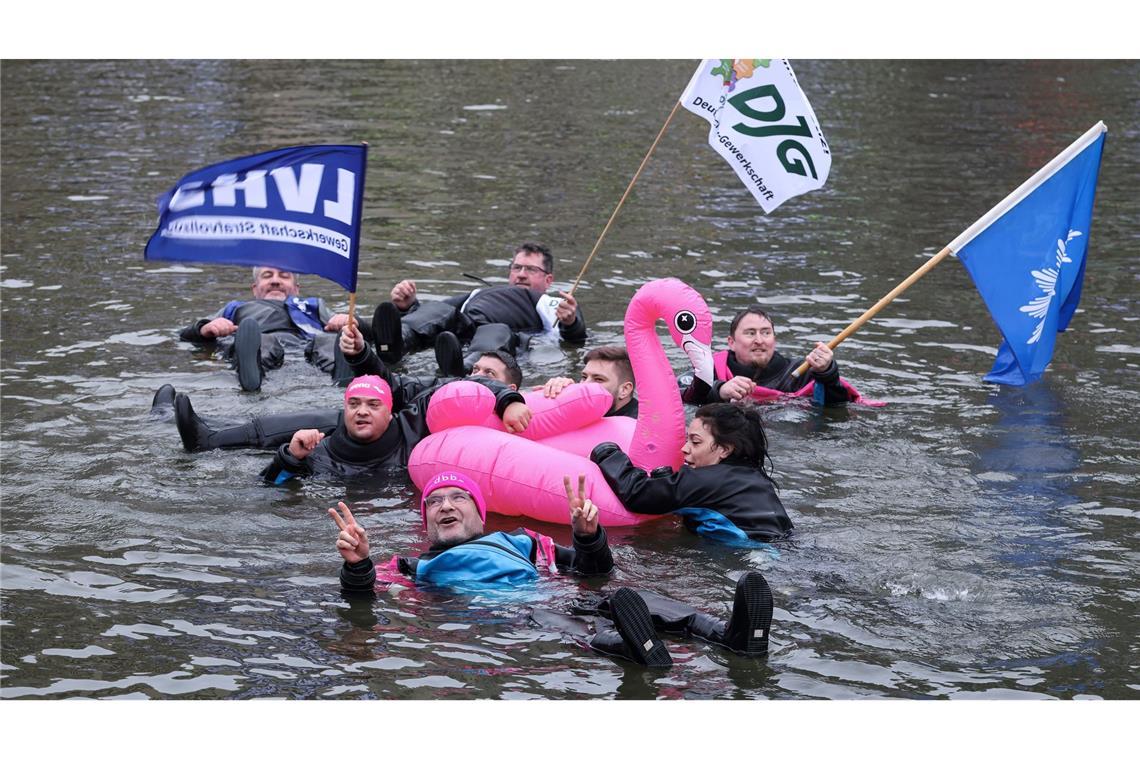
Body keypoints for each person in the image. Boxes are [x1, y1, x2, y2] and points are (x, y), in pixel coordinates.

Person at [332, 471, 775, 667]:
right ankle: (633, 647)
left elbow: (594, 570)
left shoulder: (526, 541)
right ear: (426, 520)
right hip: (505, 615)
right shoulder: (412, 564)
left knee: (627, 598)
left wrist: (587, 534)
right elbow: (365, 600)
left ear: (479, 513)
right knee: (558, 622)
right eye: (434, 502)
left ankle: (729, 634)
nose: (445, 505)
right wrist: (357, 565)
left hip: (554, 594)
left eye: (457, 498)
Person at [166, 325, 525, 453]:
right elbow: (394, 385)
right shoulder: (448, 388)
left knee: (338, 420)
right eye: (474, 369)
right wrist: (362, 355)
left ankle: (212, 439)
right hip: (386, 428)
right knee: (334, 414)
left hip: (399, 449)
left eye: (487, 374)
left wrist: (508, 399)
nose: (476, 376)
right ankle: (211, 430)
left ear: (510, 385)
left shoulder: (519, 402)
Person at [259, 371, 522, 485]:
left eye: (373, 405)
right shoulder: (319, 453)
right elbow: (272, 489)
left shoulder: (414, 425)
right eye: (354, 404)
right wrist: (290, 457)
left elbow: (466, 386)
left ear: (389, 411)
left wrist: (508, 400)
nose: (362, 411)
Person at [591, 402, 793, 545]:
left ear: (725, 449)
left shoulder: (708, 479)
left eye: (695, 442)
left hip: (753, 552)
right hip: (781, 547)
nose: (684, 449)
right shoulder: (753, 477)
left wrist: (607, 453)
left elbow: (638, 493)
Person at [372, 242, 587, 369]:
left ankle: (464, 366)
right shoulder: (477, 293)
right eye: (517, 268)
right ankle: (400, 340)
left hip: (499, 338)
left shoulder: (551, 302)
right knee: (440, 309)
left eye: (531, 270)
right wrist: (408, 305)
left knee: (497, 330)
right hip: (459, 329)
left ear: (548, 280)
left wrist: (570, 321)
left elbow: (575, 338)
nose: (521, 274)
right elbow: (433, 315)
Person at [179, 266, 364, 391]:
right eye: (267, 276)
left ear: (296, 288)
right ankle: (252, 372)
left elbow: (352, 329)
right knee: (263, 340)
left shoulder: (313, 305)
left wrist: (346, 320)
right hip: (257, 343)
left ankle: (341, 373)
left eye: (284, 276)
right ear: (255, 288)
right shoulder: (235, 308)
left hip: (304, 346)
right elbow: (184, 335)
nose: (275, 281)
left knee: (329, 339)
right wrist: (206, 328)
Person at [681, 306, 854, 407]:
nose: (759, 340)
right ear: (731, 342)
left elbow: (838, 408)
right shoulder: (708, 370)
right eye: (750, 333)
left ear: (774, 340)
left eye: (766, 333)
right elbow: (679, 395)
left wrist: (828, 374)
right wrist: (719, 391)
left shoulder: (801, 372)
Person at [538, 345, 638, 419]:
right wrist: (558, 394)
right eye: (584, 377)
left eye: (599, 379)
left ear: (624, 389)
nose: (584, 385)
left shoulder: (641, 425)